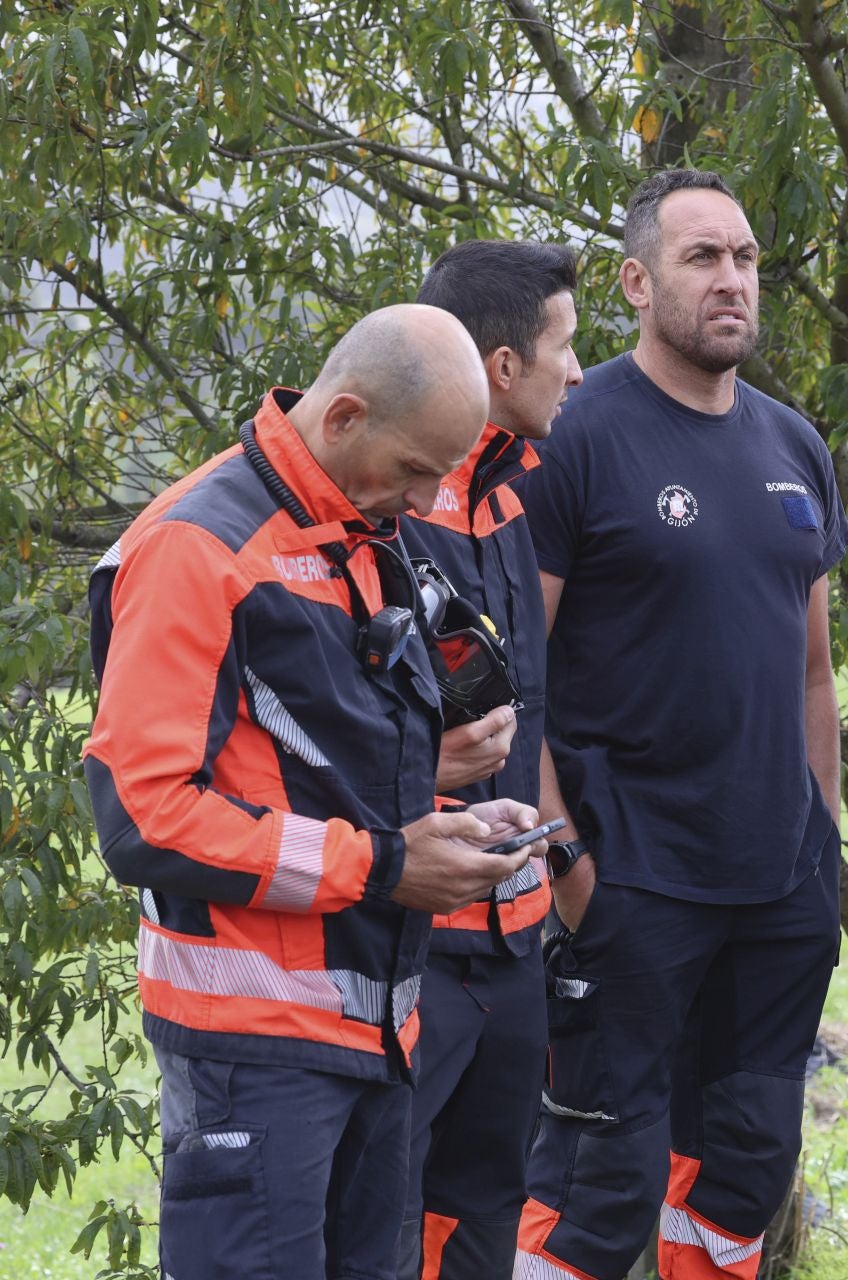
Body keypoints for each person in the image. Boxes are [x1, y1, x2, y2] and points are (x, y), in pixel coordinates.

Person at [84, 304, 548, 1280]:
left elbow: (314, 775)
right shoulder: (196, 546)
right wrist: (387, 863)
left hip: (376, 1028)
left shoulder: (365, 529)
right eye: (419, 469)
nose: (428, 503)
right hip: (250, 1047)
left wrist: (449, 824)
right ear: (341, 417)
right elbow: (144, 813)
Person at [511, 169, 848, 1280]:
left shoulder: (796, 445)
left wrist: (823, 844)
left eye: (746, 258)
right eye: (704, 258)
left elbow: (811, 670)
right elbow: (521, 676)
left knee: (746, 1163)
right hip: (632, 881)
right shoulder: (577, 435)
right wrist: (568, 863)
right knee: (600, 1187)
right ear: (637, 280)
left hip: (778, 883)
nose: (733, 280)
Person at [395, 242, 584, 1279]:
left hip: (515, 945)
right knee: (385, 1214)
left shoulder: (513, 500)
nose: (581, 371)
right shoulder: (387, 513)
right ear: (502, 368)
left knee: (485, 1218)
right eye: (566, 346)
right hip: (415, 947)